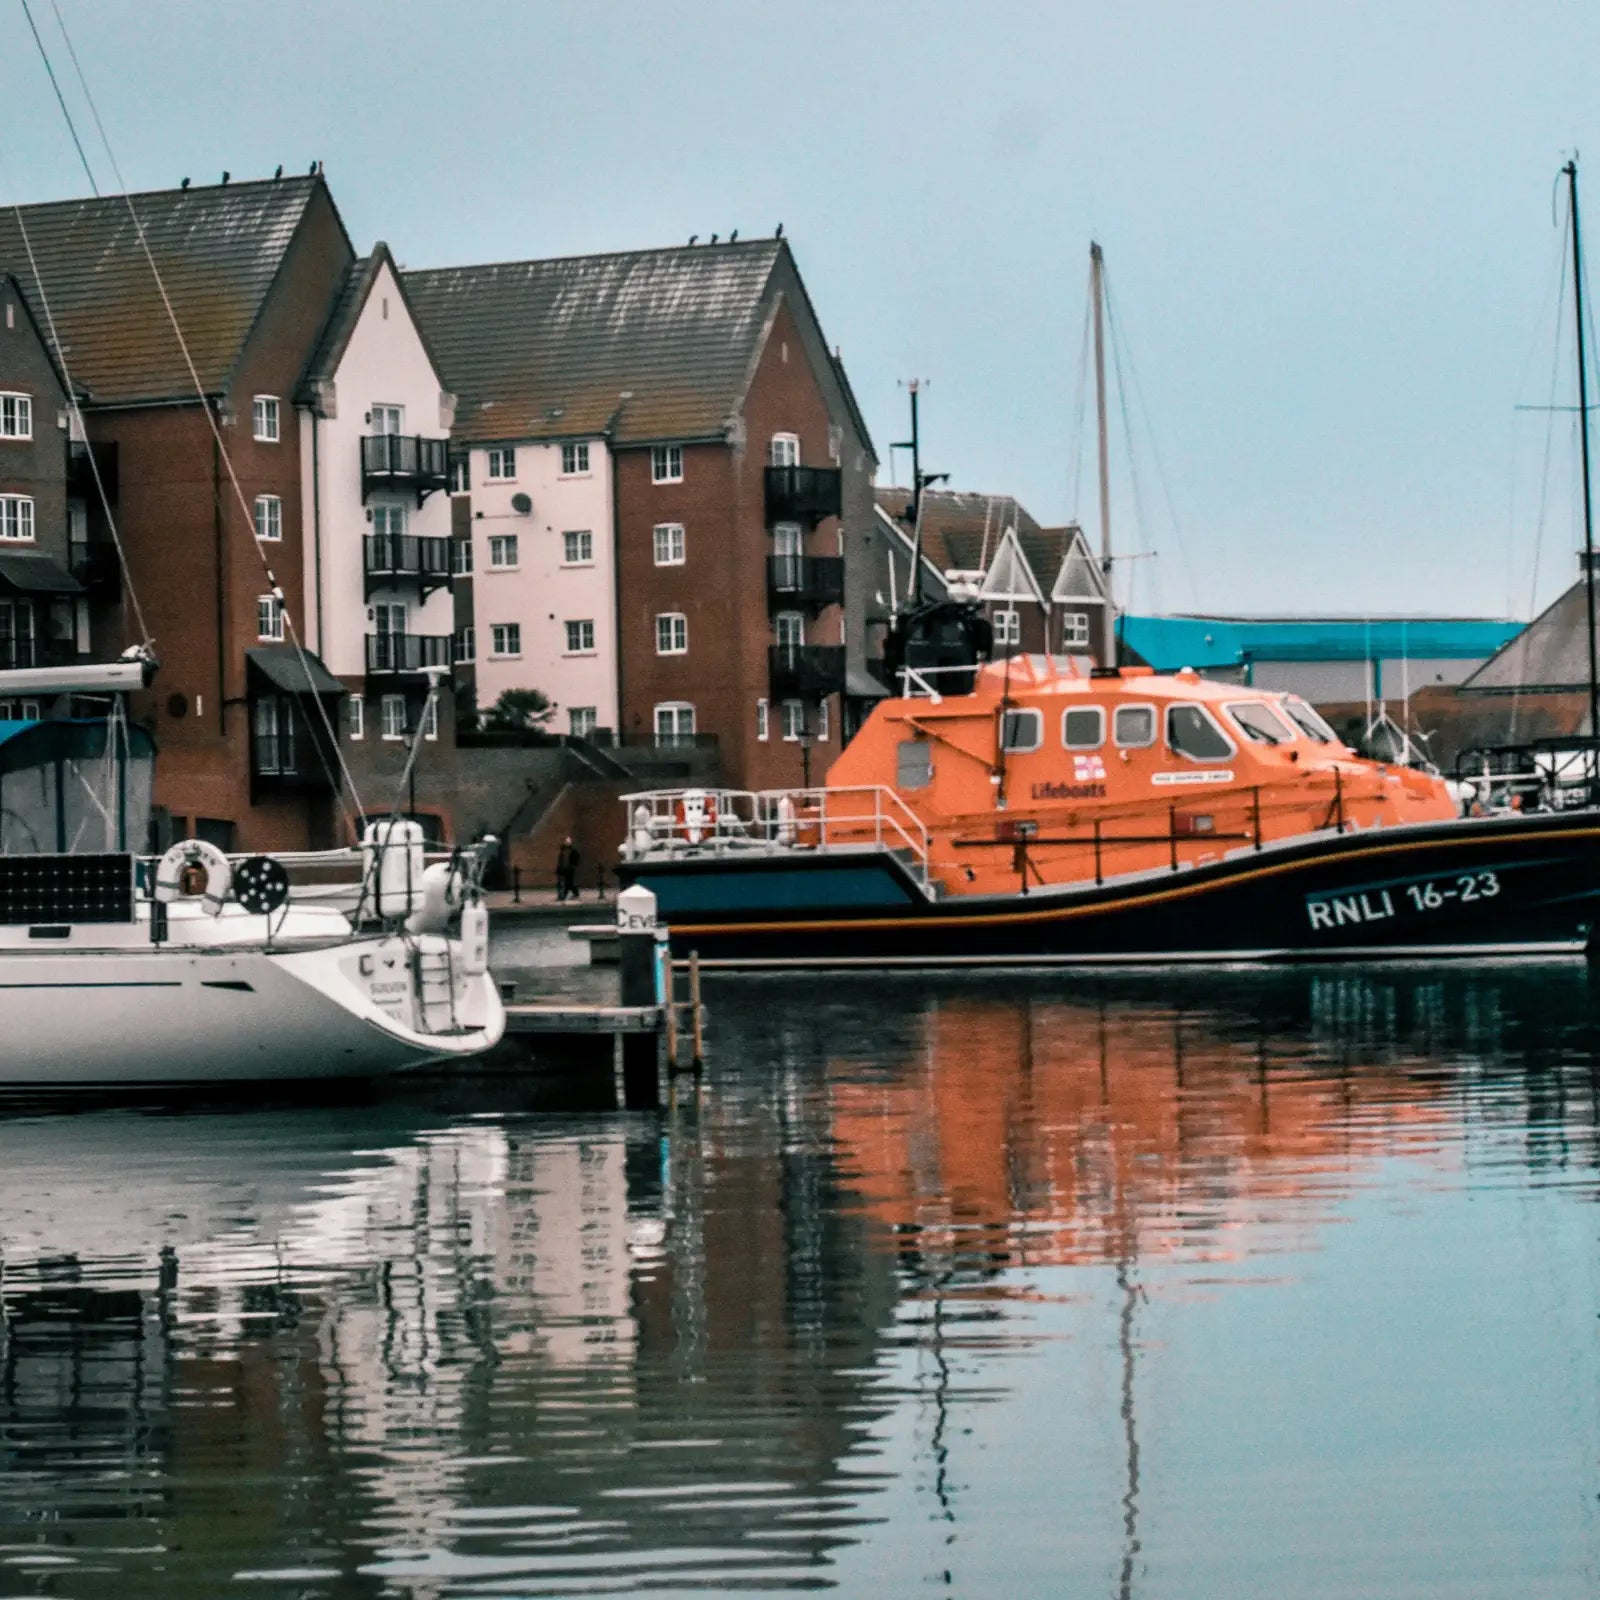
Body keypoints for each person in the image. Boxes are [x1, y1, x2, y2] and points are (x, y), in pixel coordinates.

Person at [555, 836, 580, 901]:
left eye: (568, 842)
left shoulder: (573, 851)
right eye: (566, 842)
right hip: (564, 869)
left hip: (570, 869)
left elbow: (576, 859)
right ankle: (571, 894)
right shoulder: (563, 851)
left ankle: (565, 895)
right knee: (566, 883)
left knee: (569, 883)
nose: (567, 843)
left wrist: (573, 866)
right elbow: (560, 860)